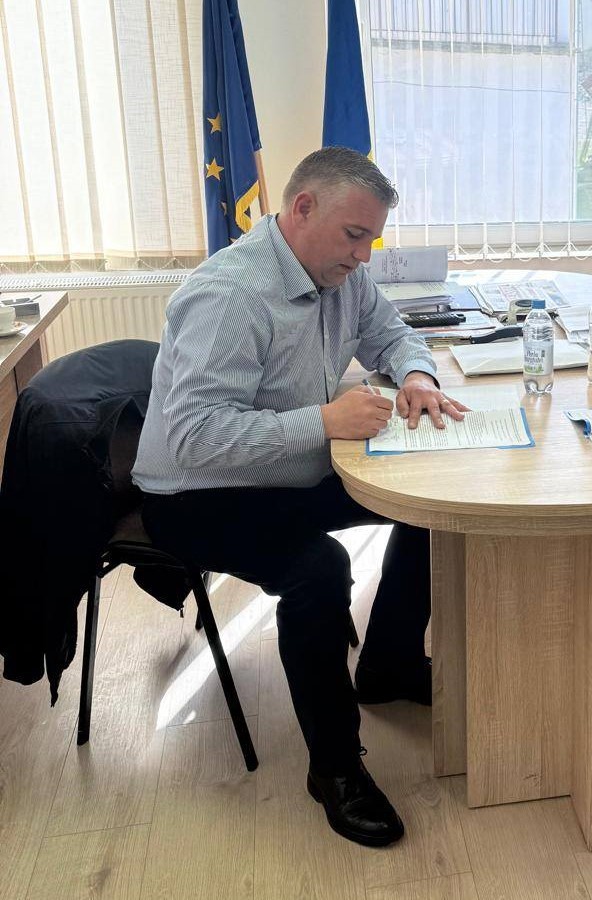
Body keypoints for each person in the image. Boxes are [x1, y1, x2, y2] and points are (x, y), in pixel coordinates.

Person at [133, 146, 466, 846]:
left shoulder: (340, 273)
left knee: (431, 499)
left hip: (285, 470)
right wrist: (322, 422)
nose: (364, 256)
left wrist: (417, 377)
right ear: (303, 208)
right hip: (196, 495)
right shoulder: (230, 296)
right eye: (355, 235)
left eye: (372, 240)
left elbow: (393, 334)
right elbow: (194, 437)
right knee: (318, 570)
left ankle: (389, 664)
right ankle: (336, 769)